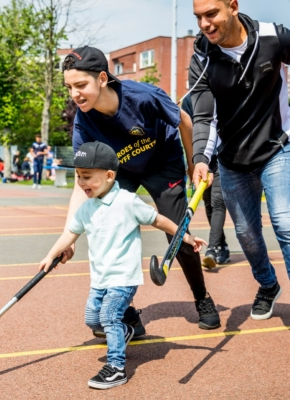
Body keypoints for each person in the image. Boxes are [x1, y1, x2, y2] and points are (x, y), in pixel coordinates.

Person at [60, 45, 221, 334]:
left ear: (102, 78)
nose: (75, 94)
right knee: (107, 226)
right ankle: (127, 312)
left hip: (163, 161)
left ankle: (201, 297)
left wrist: (192, 162)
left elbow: (184, 120)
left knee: (177, 230)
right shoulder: (83, 121)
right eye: (69, 87)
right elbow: (80, 184)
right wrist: (68, 236)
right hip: (121, 170)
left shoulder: (143, 96)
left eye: (80, 85)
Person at [39, 142, 206, 390]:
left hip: (123, 277)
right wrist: (51, 254)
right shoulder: (86, 209)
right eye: (78, 177)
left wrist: (186, 236)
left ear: (109, 175)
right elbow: (70, 235)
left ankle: (116, 367)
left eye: (87, 177)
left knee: (108, 316)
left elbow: (159, 220)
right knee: (93, 320)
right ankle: (126, 328)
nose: (81, 182)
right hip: (100, 278)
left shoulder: (128, 202)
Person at [190, 0, 290, 320]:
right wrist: (200, 159)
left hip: (277, 147)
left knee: (286, 223)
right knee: (246, 234)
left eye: (211, 14)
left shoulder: (274, 37)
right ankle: (267, 285)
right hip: (232, 159)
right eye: (199, 17)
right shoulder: (203, 57)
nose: (205, 24)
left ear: (232, 6)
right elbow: (204, 117)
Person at [182, 94, 230, 268]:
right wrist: (193, 162)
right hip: (203, 158)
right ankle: (222, 245)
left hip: (223, 157)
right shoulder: (190, 100)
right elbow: (188, 131)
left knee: (218, 201)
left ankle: (212, 248)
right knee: (209, 203)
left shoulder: (224, 91)